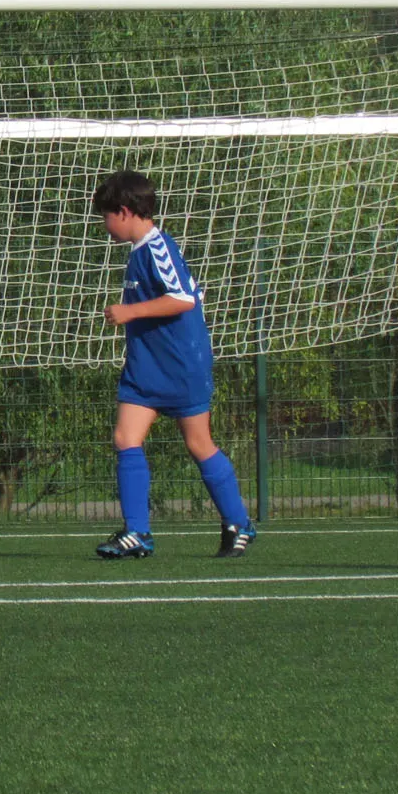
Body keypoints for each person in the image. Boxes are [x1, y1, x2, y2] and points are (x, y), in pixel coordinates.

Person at [91, 171, 255, 560]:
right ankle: (137, 533)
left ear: (124, 212)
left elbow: (183, 299)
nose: (104, 225)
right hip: (146, 367)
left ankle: (239, 523)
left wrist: (129, 312)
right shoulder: (139, 251)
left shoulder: (158, 247)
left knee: (199, 443)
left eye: (106, 216)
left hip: (181, 366)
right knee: (125, 439)